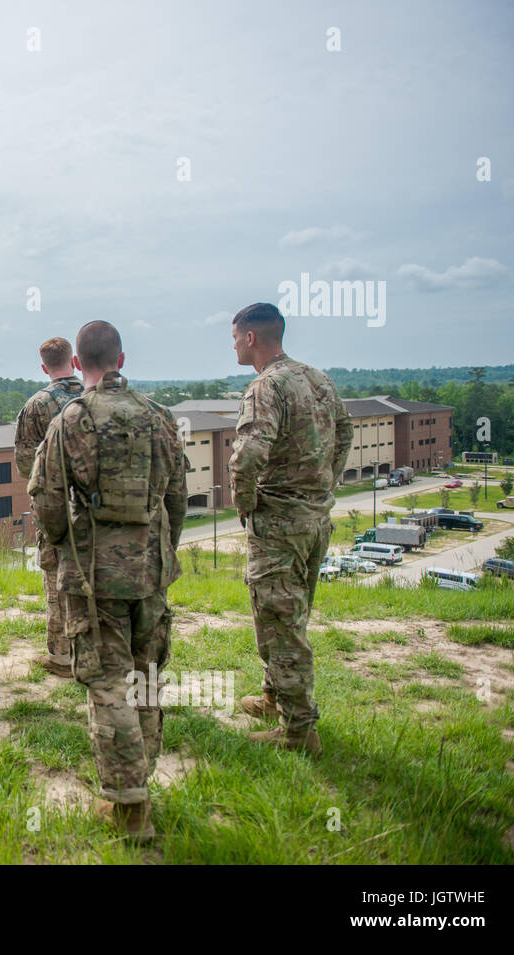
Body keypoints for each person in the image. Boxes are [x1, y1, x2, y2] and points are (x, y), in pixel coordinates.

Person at [29, 320, 186, 843]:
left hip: (95, 572)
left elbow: (47, 496)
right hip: (151, 568)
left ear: (79, 364)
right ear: (123, 358)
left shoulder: (71, 418)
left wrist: (57, 542)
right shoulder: (159, 416)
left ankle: (129, 808)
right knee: (146, 677)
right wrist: (165, 546)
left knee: (107, 683)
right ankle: (140, 782)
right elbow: (179, 496)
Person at [229, 303, 353, 756]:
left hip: (279, 520)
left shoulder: (267, 386)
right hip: (315, 519)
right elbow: (344, 431)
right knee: (289, 614)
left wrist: (245, 503)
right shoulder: (316, 378)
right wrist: (325, 481)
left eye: (235, 337)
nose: (234, 345)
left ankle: (299, 731)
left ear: (250, 338)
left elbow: (247, 456)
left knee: (281, 625)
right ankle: (273, 695)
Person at [14, 336, 86, 678]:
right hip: (96, 509)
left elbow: (24, 464)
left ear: (44, 367)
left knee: (56, 581)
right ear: (74, 360)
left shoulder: (36, 405)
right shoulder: (95, 396)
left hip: (55, 508)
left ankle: (60, 656)